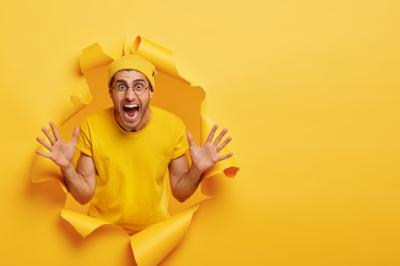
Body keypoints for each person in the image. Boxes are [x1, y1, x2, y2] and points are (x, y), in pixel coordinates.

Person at [35, 54, 233, 234]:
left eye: (139, 86)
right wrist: (66, 167)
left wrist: (197, 169)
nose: (130, 96)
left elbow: (181, 193)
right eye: (121, 87)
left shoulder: (173, 126)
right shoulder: (92, 126)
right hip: (103, 234)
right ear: (111, 92)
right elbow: (84, 195)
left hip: (154, 236)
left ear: (151, 91)